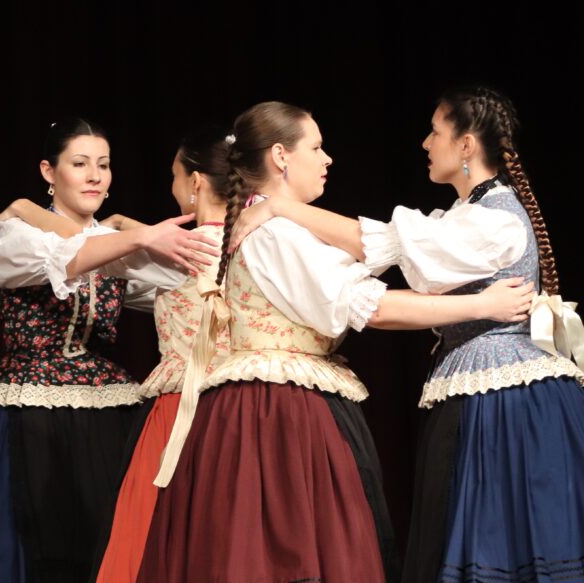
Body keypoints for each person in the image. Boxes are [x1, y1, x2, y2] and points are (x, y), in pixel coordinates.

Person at [135, 101, 534, 583]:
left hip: (279, 403)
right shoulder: (274, 233)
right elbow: (373, 307)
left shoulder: (277, 223)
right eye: (317, 147)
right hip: (275, 414)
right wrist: (481, 305)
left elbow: (373, 253)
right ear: (281, 156)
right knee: (285, 550)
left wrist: (285, 207)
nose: (327, 159)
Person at [231, 88, 584, 583]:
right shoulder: (464, 216)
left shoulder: (493, 219)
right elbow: (382, 256)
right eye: (317, 147)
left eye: (435, 132)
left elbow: (384, 251)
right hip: (477, 386)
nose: (424, 143)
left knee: (505, 529)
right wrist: (277, 210)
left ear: (465, 145)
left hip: (506, 397)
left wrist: (279, 209)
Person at [0, 118, 218, 583]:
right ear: (49, 171)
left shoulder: (118, 244)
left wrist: (130, 230)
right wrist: (132, 234)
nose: (95, 176)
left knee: (103, 546)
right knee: (31, 550)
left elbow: (185, 277)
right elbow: (63, 256)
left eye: (104, 165)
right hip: (26, 411)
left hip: (104, 411)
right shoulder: (20, 234)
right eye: (80, 164)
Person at [92, 125, 232, 583]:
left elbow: (77, 245)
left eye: (175, 176)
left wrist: (22, 209)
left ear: (195, 182)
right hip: (239, 408)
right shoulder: (255, 241)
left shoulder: (176, 254)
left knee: (161, 537)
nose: (172, 186)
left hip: (182, 411)